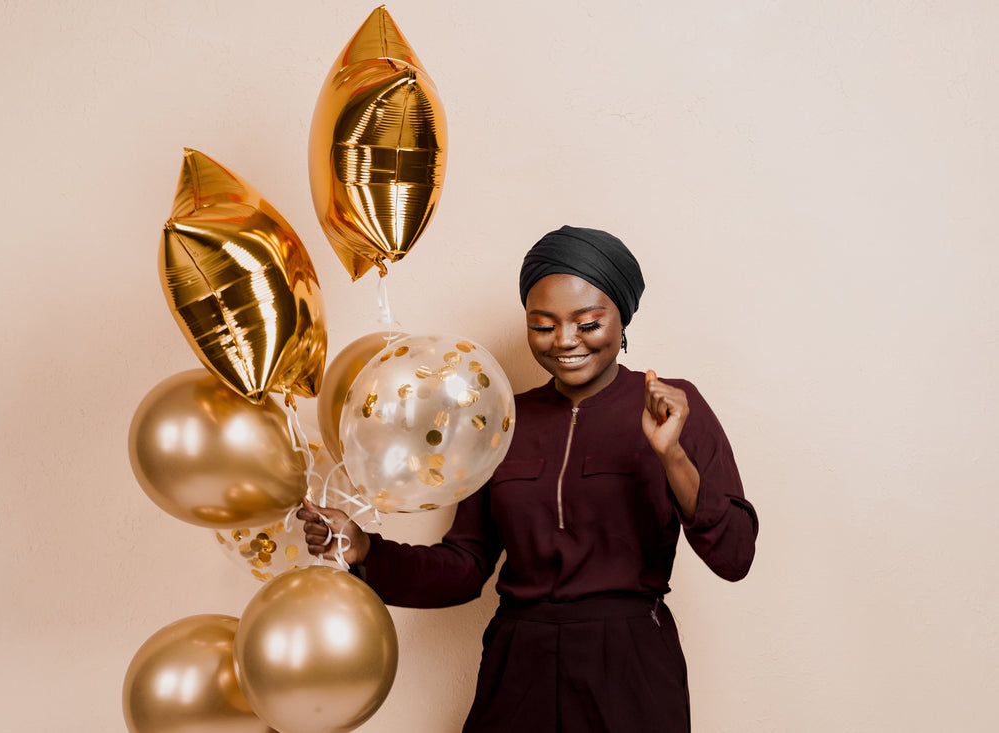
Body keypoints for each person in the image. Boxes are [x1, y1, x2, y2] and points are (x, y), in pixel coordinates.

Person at [298, 225, 758, 733]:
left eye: (587, 323)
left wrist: (672, 455)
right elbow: (465, 567)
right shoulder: (501, 420)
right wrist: (365, 547)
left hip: (630, 667)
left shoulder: (672, 406)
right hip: (519, 666)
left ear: (621, 318)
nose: (564, 341)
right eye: (543, 325)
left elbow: (735, 555)